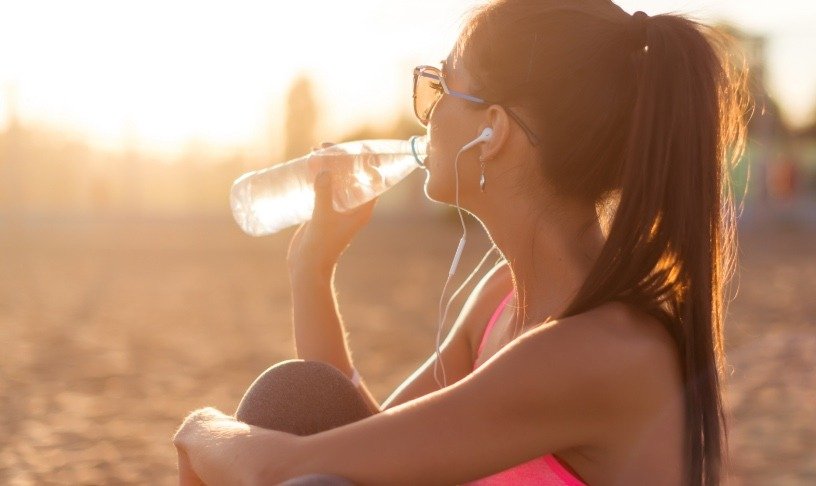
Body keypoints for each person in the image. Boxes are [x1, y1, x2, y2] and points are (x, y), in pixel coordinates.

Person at [173, 0, 749, 484]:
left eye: (443, 84)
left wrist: (200, 428)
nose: (427, 113)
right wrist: (312, 265)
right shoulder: (503, 295)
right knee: (298, 396)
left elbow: (289, 467)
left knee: (263, 433)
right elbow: (355, 445)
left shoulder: (600, 351)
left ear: (491, 131)